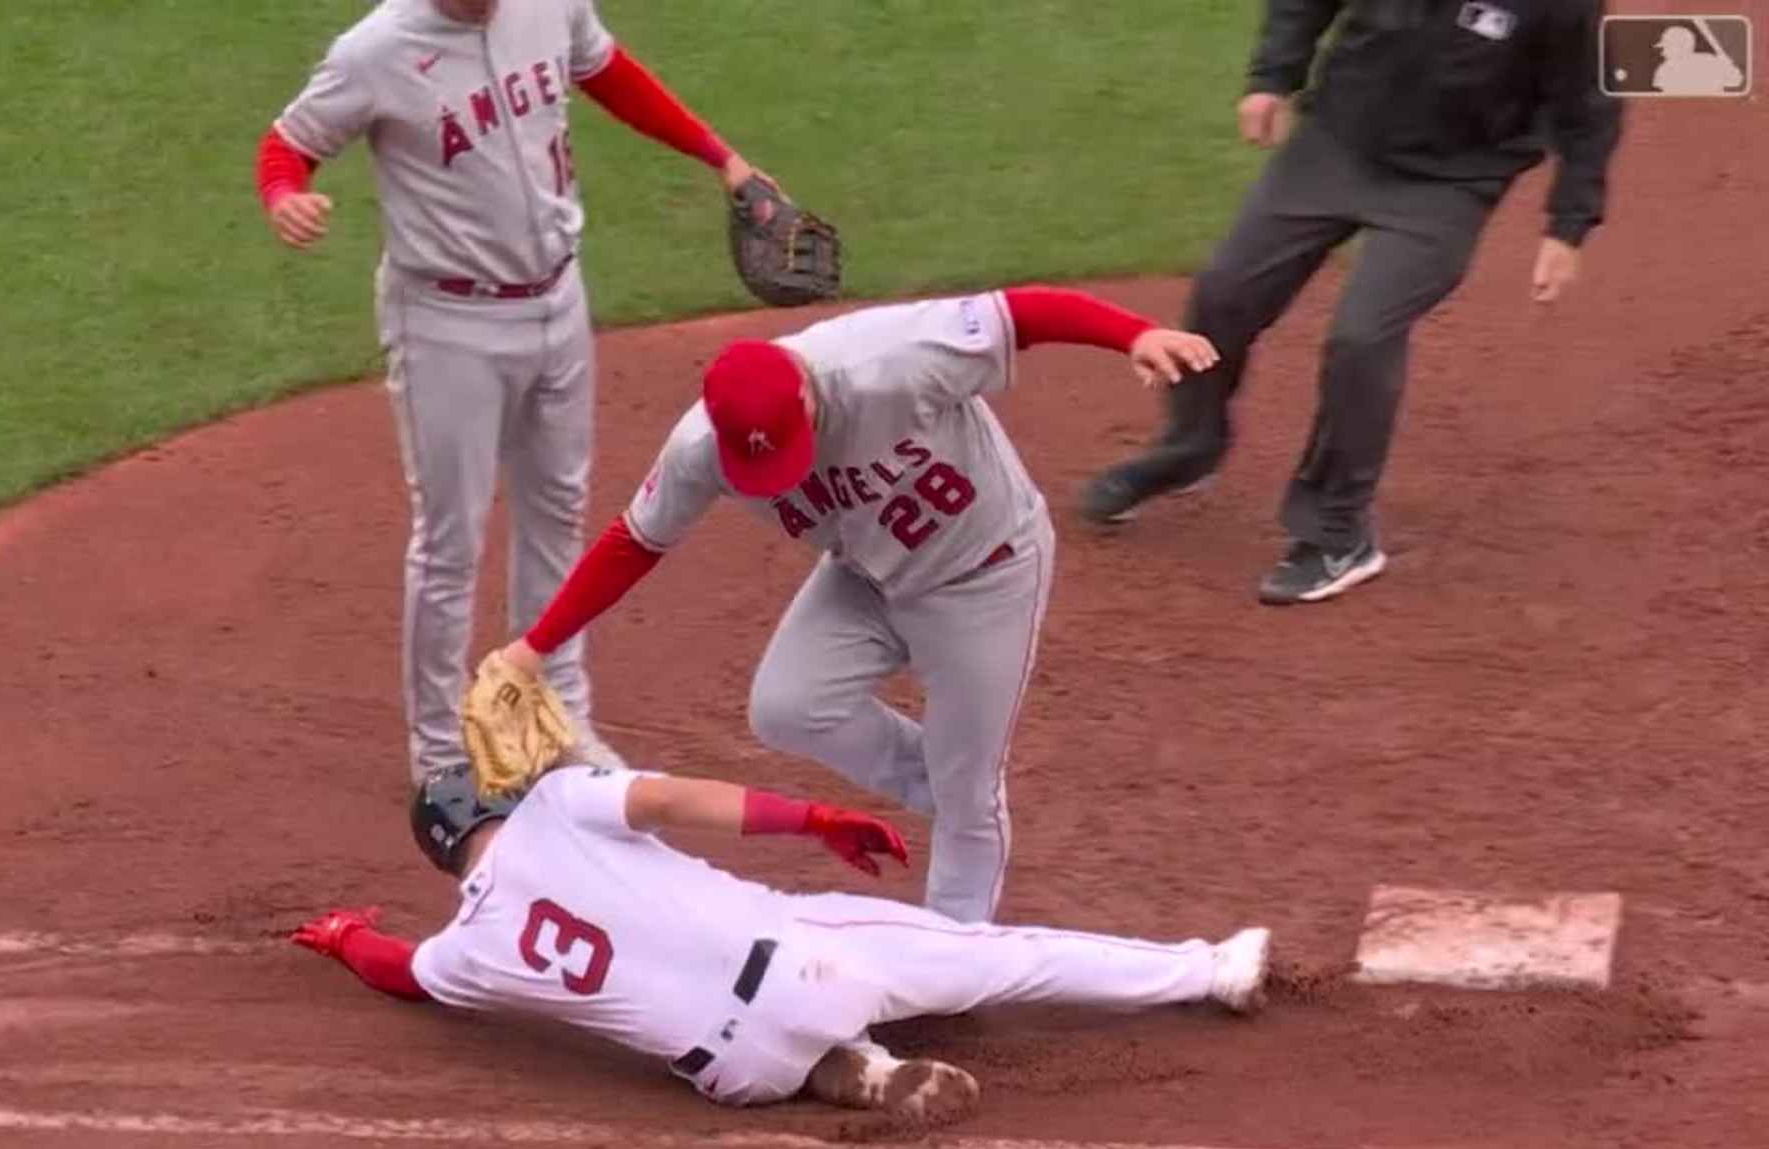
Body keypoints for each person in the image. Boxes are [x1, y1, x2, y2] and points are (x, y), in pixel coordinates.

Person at [478, 287, 1219, 922]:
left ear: (804, 394)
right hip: (867, 575)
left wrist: (1135, 334)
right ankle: (954, 790)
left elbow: (1018, 313)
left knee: (968, 801)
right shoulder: (699, 448)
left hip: (985, 574)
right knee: (788, 706)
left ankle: (953, 960)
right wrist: (530, 648)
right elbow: (634, 542)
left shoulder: (888, 361)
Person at [256, 0, 783, 782]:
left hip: (558, 300)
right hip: (446, 322)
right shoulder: (377, 50)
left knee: (557, 513)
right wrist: (284, 198)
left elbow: (608, 72)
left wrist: (721, 156)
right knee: (449, 543)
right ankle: (438, 761)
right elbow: (287, 144)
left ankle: (552, 724)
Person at [292, 765, 1272, 1118]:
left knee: (754, 1035)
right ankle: (1210, 970)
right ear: (494, 800)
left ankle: (853, 1069)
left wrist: (342, 938)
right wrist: (812, 817)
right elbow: (674, 799)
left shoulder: (464, 950)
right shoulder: (554, 805)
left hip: (733, 1077)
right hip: (808, 964)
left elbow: (402, 972)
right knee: (1003, 958)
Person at [1075, 0, 1624, 605]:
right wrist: (1273, 78)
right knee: (1223, 292)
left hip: (1450, 183)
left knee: (1362, 336)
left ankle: (1339, 531)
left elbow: (1589, 107)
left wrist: (1569, 226)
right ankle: (1191, 446)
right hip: (1336, 143)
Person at [1649, 24, 1745, 96]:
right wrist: (1728, 65)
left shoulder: (1665, 69)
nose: (1663, 53)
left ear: (1680, 46)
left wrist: (1727, 66)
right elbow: (1736, 81)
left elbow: (1736, 81)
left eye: (1667, 47)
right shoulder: (1712, 61)